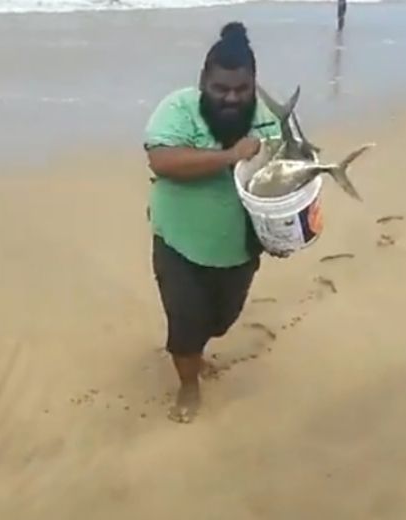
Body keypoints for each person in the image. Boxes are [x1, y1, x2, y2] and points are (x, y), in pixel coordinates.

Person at [143, 21, 282, 424]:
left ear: (253, 84)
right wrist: (230, 156)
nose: (231, 99)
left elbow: (282, 177)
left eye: (241, 90)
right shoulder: (178, 109)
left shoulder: (268, 118)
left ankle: (198, 350)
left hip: (238, 246)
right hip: (178, 242)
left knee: (220, 321)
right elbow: (162, 160)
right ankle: (188, 386)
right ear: (204, 81)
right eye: (221, 89)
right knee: (186, 323)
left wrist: (292, 227)